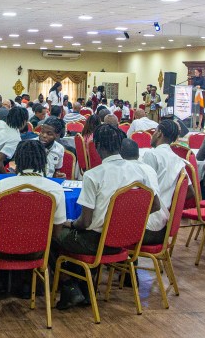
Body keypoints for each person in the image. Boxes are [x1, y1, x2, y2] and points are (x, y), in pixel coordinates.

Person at [56, 124, 160, 309]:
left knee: (55, 234)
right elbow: (155, 205)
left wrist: (69, 224)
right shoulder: (140, 171)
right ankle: (84, 288)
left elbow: (85, 222)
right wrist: (130, 220)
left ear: (96, 146)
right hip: (126, 241)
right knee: (73, 238)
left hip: (96, 242)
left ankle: (69, 286)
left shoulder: (93, 175)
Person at [139, 120, 191, 246]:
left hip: (146, 227)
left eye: (155, 131)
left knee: (109, 225)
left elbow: (143, 190)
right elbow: (190, 192)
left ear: (159, 133)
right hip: (162, 224)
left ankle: (124, 263)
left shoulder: (152, 155)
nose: (153, 134)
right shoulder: (178, 160)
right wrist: (168, 203)